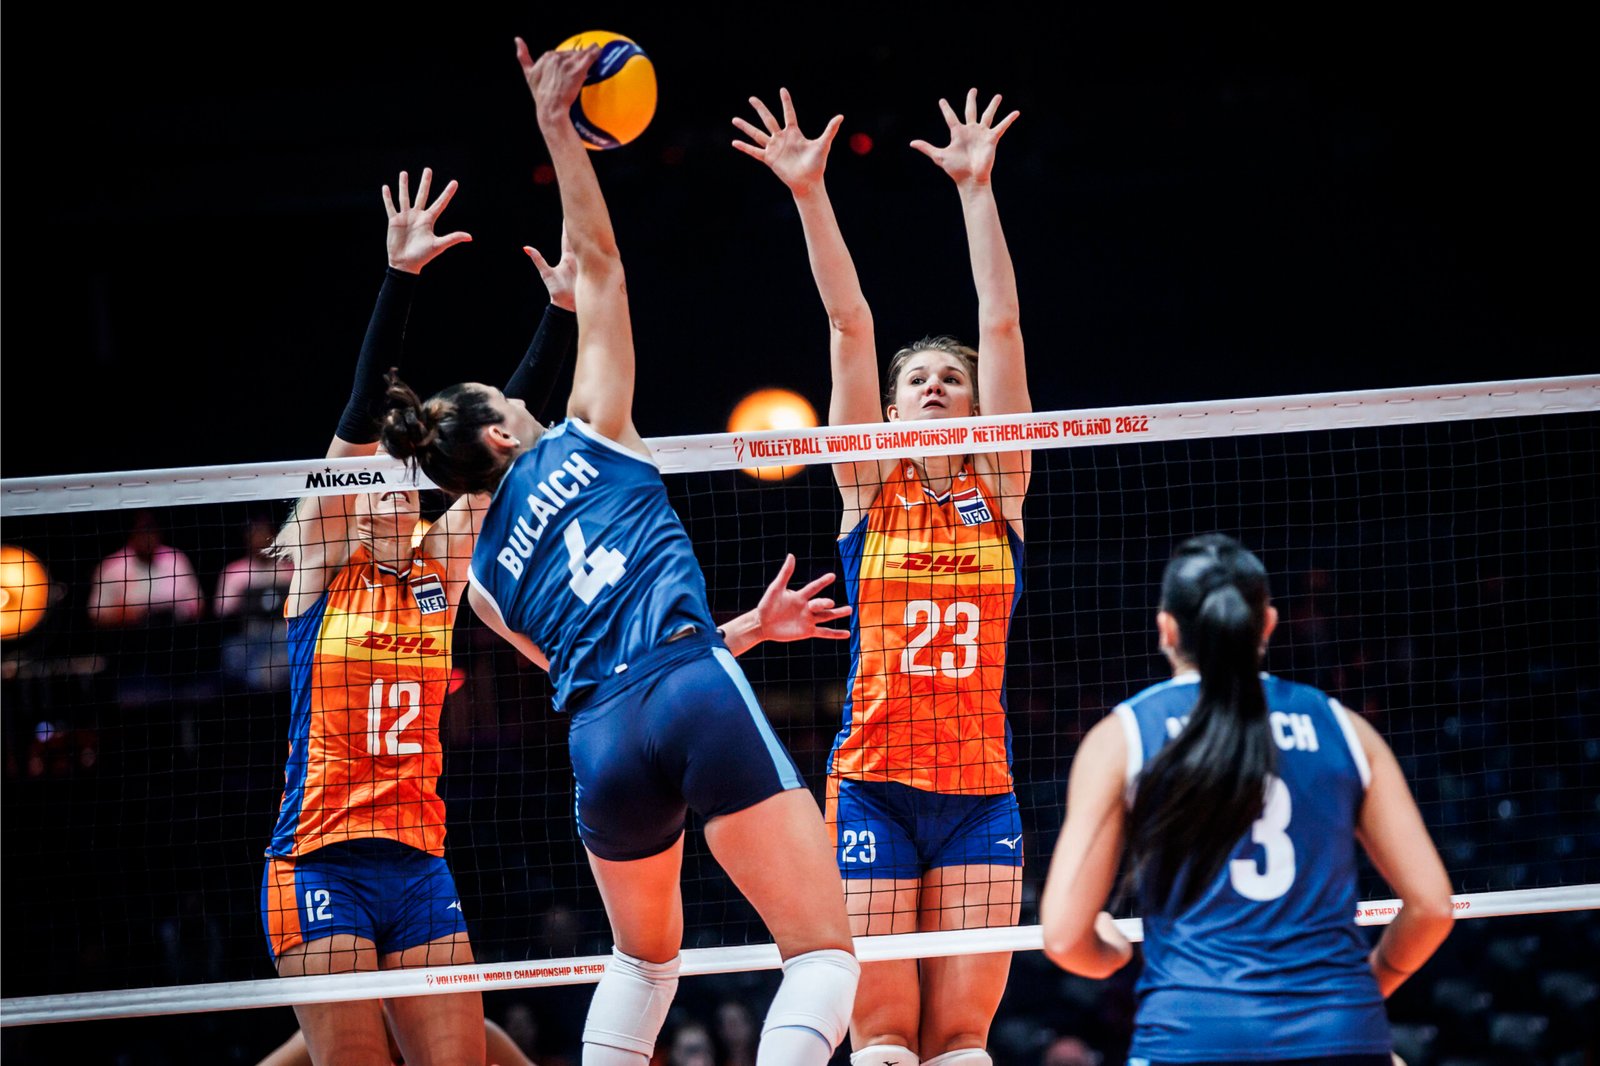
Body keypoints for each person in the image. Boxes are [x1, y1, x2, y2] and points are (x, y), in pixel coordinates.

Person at [379, 42, 860, 1066]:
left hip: (600, 742)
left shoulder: (479, 581)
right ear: (503, 430)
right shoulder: (594, 431)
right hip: (692, 688)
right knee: (822, 953)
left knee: (642, 965)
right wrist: (559, 130)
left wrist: (748, 629)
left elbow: (595, 662)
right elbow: (602, 264)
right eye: (511, 401)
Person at [733, 86, 1029, 1065]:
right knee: (887, 1038)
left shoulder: (1003, 485)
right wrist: (809, 193)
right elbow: (848, 323)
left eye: (952, 378)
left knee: (962, 1041)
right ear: (891, 412)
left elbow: (1002, 325)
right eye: (918, 380)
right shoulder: (866, 485)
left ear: (976, 408)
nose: (937, 385)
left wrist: (976, 190)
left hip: (979, 792)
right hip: (873, 787)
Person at [1038, 534, 1455, 1065]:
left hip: (1193, 1036)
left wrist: (1111, 953)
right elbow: (1432, 907)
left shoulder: (1125, 736)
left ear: (1167, 628)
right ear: (1268, 624)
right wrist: (1370, 985)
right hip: (1341, 1030)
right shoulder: (1343, 728)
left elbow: (1064, 937)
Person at [216, 513, 295, 691]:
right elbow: (222, 610)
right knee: (232, 651)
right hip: (250, 636)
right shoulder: (235, 573)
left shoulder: (289, 570)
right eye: (255, 534)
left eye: (264, 533)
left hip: (283, 635)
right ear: (246, 539)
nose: (260, 539)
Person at [88, 510, 205, 627]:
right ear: (131, 533)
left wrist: (178, 612)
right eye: (142, 530)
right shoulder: (111, 567)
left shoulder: (176, 559)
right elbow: (96, 614)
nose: (147, 536)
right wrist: (127, 614)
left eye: (151, 529)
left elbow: (198, 603)